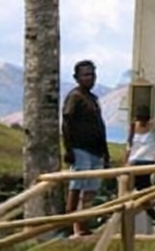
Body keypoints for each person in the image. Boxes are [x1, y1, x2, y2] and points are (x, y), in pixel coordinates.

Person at [61, 60, 109, 236]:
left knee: (91, 189)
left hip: (96, 150)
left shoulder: (93, 99)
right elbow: (67, 122)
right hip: (80, 148)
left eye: (92, 74)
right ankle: (71, 224)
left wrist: (106, 153)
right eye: (86, 75)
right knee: (77, 185)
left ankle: (83, 224)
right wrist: (68, 149)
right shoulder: (75, 97)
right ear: (77, 78)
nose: (90, 78)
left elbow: (100, 126)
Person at [126, 107, 155, 237]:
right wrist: (126, 162)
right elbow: (129, 145)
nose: (142, 122)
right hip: (133, 163)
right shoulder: (132, 127)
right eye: (140, 120)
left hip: (146, 163)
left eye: (144, 120)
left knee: (143, 196)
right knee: (139, 197)